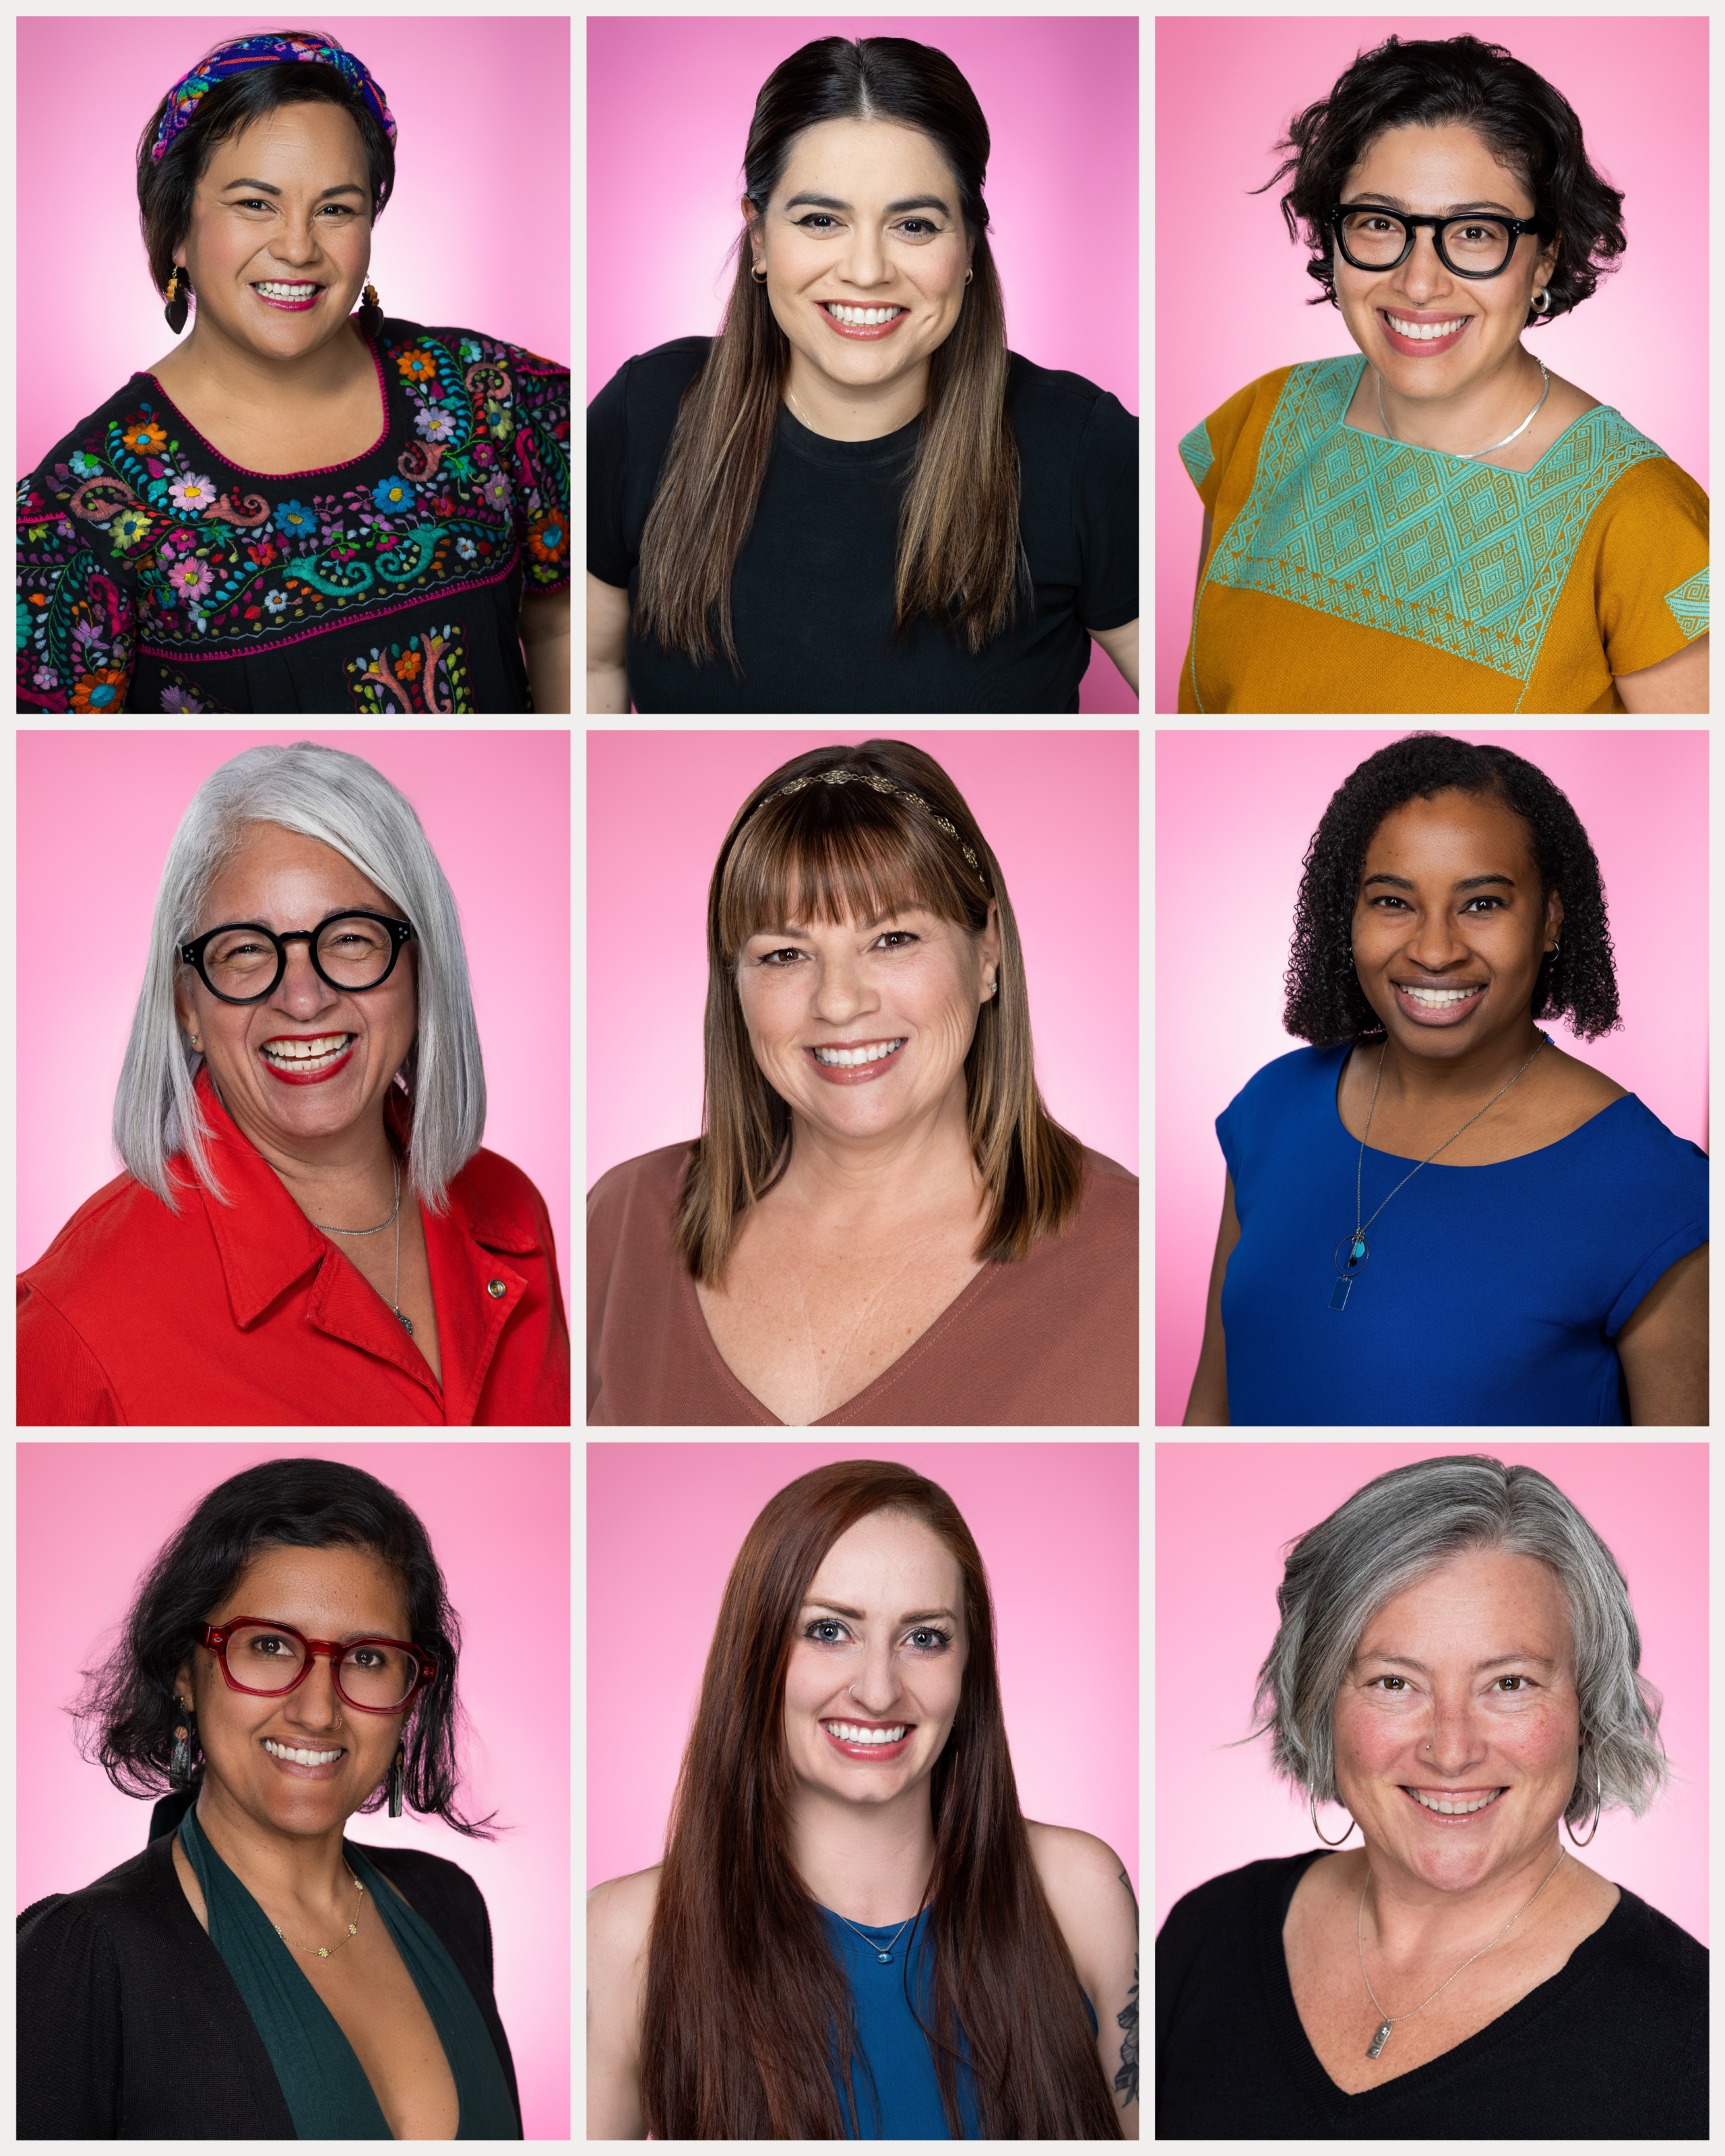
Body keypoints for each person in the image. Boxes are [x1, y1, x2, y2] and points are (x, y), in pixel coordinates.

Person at [18, 739, 570, 1424]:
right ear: (187, 1004)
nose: (303, 999)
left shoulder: (514, 1214)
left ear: (422, 970)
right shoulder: (75, 1322)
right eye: (247, 949)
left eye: (350, 938)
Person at [18, 30, 569, 714]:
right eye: (255, 203)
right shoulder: (80, 508)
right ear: (179, 227)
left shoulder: (497, 395)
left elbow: (559, 628)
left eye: (336, 208)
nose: (299, 247)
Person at [587, 740, 1137, 1424]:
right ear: (733, 983)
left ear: (987, 949)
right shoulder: (616, 1223)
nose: (839, 1002)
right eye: (785, 954)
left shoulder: (1129, 1251)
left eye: (893, 939)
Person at [1157, 1454, 1707, 2137]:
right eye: (1394, 1682)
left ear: (1587, 1710)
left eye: (1509, 1682)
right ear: (1320, 1698)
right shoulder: (1205, 1934)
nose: (1451, 1750)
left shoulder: (1693, 2031)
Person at [587, 34, 1137, 714]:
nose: (867, 270)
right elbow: (591, 662)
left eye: (914, 225)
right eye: (821, 220)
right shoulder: (644, 413)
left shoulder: (1083, 448)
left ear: (968, 245)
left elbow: (1195, 693)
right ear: (759, 238)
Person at [588, 1459, 1138, 2138]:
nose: (877, 1689)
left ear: (969, 1669)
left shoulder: (1080, 1889)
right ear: (756, 1651)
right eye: (828, 1630)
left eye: (923, 1637)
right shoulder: (625, 1936)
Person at [1184, 734, 1707, 1426]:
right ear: (1350, 916)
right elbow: (1208, 1416)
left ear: (1550, 918)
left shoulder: (1656, 1190)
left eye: (1482, 903)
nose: (1434, 950)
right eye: (1393, 902)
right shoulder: (1272, 1109)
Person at [1177, 34, 1708, 714]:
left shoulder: (1642, 517)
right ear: (1332, 237)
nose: (1419, 282)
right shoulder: (1261, 419)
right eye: (1378, 222)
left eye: (1474, 232)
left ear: (1545, 258)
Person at [19, 1456, 523, 2138]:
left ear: (410, 1695)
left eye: (368, 1657)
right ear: (184, 1673)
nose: (317, 1710)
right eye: (268, 1645)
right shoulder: (88, 1954)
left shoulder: (449, 1904)